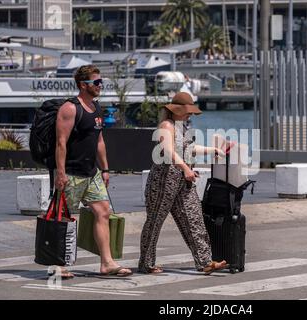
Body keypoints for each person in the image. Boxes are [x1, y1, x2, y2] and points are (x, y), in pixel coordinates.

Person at [55, 65, 132, 278]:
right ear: (83, 85)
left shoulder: (97, 108)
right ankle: (58, 264)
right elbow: (61, 143)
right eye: (96, 83)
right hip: (71, 173)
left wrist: (105, 168)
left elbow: (99, 141)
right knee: (63, 219)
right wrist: (60, 173)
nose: (100, 86)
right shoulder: (70, 108)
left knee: (103, 212)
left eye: (101, 82)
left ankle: (106, 263)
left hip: (92, 173)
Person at [139, 92, 228, 275]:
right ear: (177, 110)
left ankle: (205, 261)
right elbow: (169, 151)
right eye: (188, 111)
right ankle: (146, 263)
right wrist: (186, 169)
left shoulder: (182, 126)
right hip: (163, 181)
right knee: (155, 222)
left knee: (194, 219)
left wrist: (212, 150)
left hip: (182, 181)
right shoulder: (167, 125)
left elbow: (189, 148)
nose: (191, 115)